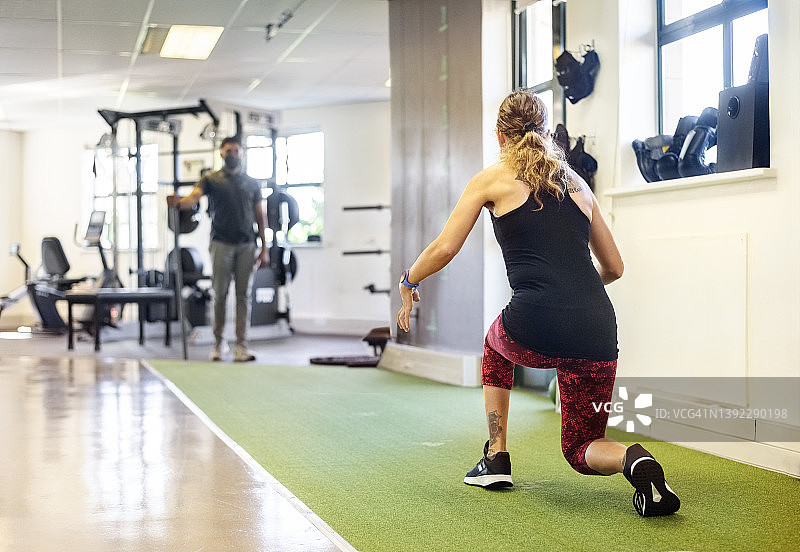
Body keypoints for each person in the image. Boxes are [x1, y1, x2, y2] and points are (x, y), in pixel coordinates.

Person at [397, 90, 680, 517]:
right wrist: (576, 296)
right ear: (547, 132)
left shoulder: (491, 179)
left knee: (494, 343)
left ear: (499, 135)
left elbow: (445, 247)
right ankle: (633, 459)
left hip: (534, 321)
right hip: (598, 326)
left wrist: (409, 280)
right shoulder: (578, 185)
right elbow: (615, 267)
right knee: (582, 446)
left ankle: (496, 457)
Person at [168, 136, 268, 362]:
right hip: (221, 243)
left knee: (243, 296)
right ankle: (218, 343)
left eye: (236, 151)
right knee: (220, 295)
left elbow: (260, 215)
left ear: (241, 153)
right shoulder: (211, 180)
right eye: (228, 151)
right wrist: (179, 203)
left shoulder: (252, 183)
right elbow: (194, 198)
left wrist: (265, 248)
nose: (232, 154)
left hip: (247, 244)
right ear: (221, 153)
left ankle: (241, 346)